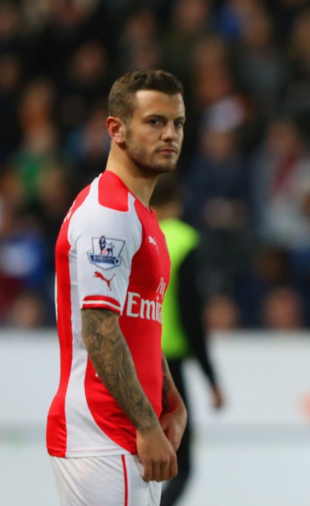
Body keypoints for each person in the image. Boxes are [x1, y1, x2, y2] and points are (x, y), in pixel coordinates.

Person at [46, 69, 188, 506]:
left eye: (178, 123)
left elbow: (136, 323)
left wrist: (171, 400)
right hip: (105, 433)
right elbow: (99, 329)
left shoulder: (141, 216)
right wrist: (146, 426)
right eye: (155, 121)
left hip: (123, 434)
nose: (170, 135)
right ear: (116, 129)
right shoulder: (108, 213)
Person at [149, 173, 225, 506]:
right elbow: (192, 317)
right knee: (181, 466)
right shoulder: (183, 241)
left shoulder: (137, 235)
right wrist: (211, 378)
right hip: (170, 369)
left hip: (134, 360)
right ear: (177, 201)